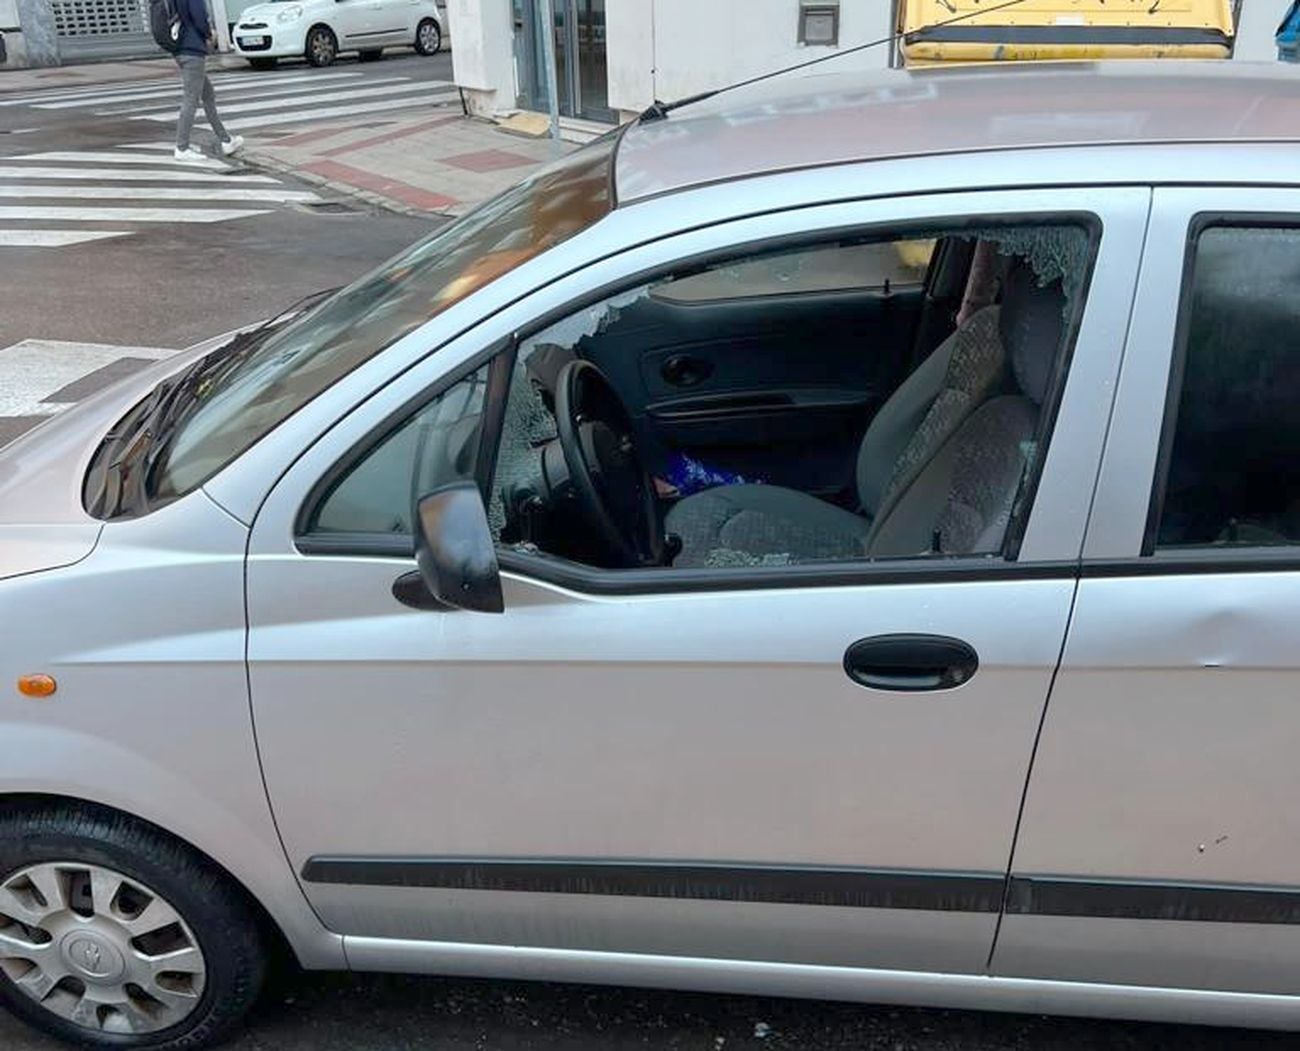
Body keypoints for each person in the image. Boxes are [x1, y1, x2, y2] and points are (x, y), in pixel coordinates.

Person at [173, 0, 243, 163]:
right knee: (191, 98)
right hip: (192, 50)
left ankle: (225, 140)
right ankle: (181, 147)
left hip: (181, 49)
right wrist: (209, 34)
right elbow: (199, 16)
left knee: (208, 95)